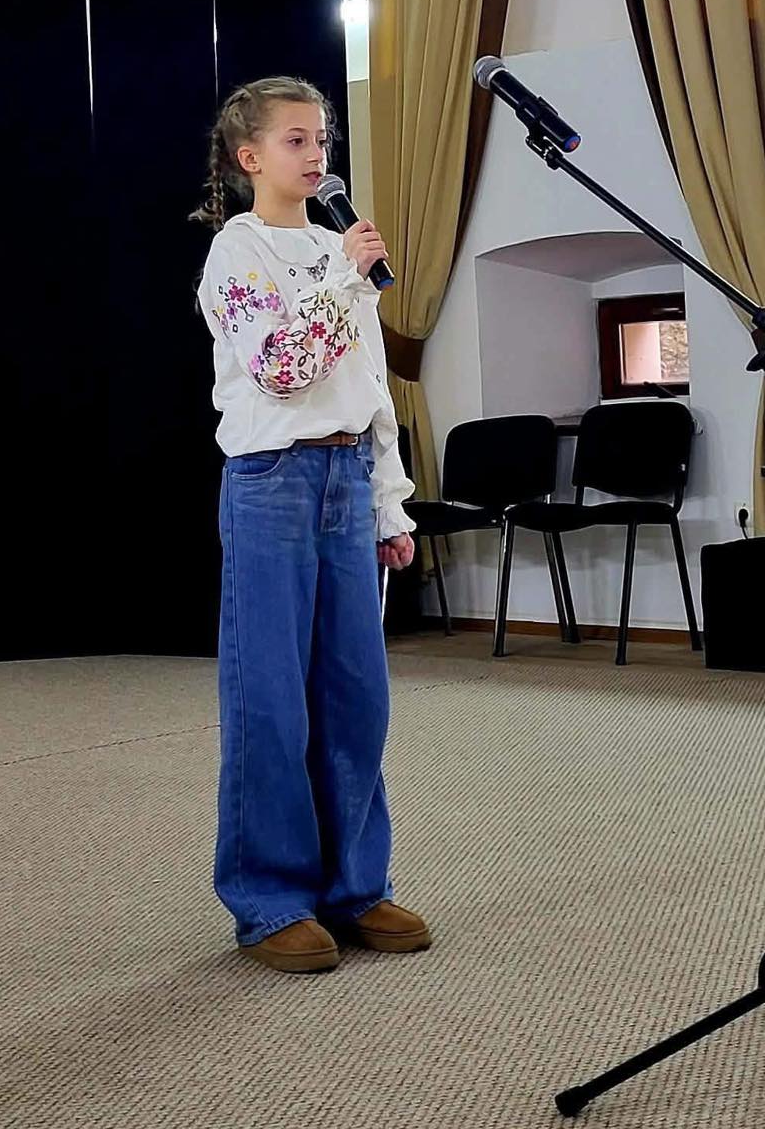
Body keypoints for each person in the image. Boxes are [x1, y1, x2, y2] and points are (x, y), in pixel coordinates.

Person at [191, 76, 431, 974]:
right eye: (296, 140)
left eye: (322, 138)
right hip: (273, 483)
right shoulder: (236, 254)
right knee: (271, 699)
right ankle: (271, 901)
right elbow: (284, 370)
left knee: (355, 695)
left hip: (345, 476)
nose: (317, 153)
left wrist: (387, 500)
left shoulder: (339, 250)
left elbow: (368, 388)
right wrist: (343, 278)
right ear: (250, 157)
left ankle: (356, 887)